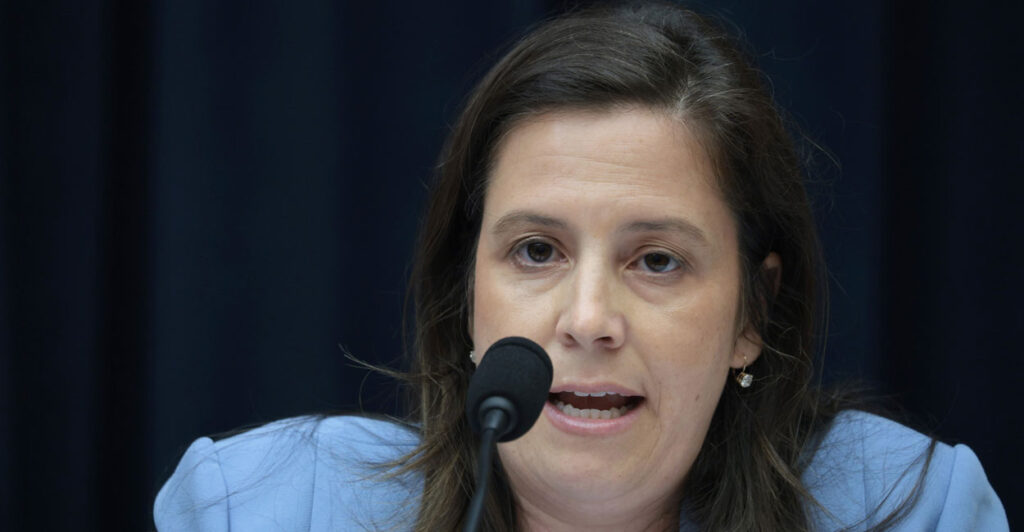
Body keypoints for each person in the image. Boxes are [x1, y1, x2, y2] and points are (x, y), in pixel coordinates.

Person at [153, 2, 1008, 531]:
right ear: (467, 295)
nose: (588, 316)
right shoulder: (263, 508)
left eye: (659, 260)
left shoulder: (908, 511)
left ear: (753, 314)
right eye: (536, 251)